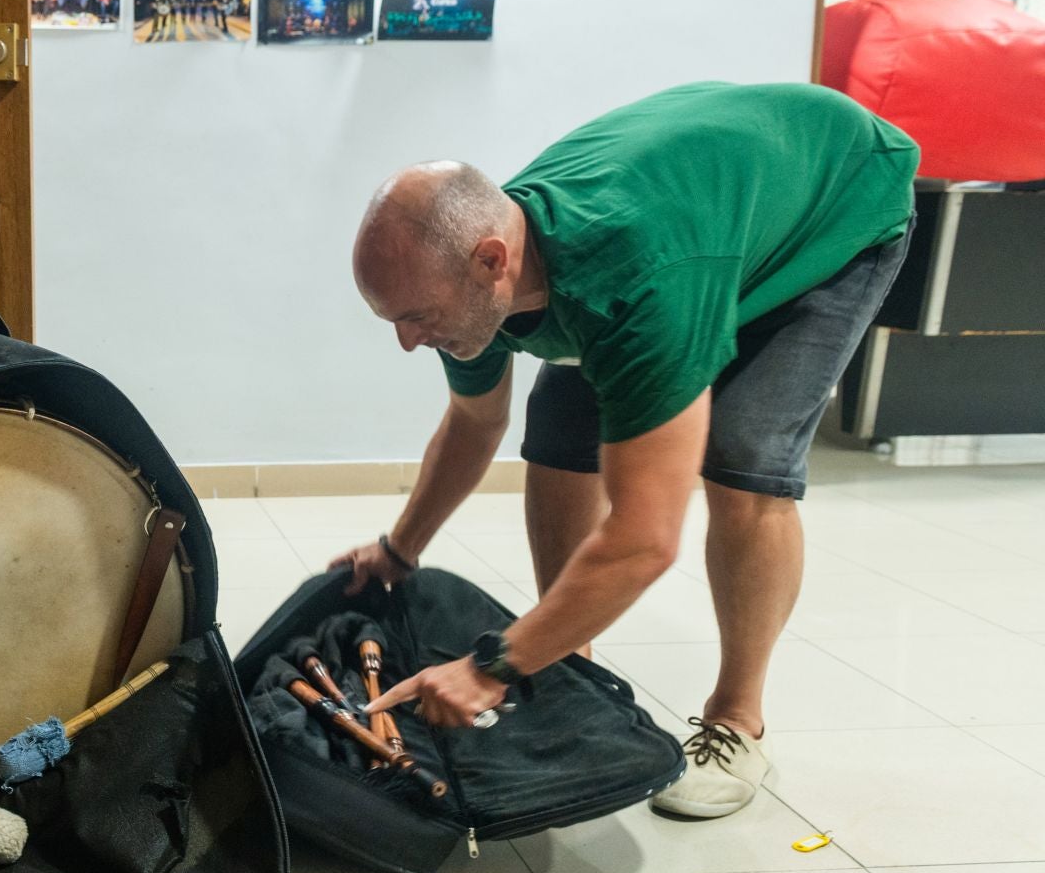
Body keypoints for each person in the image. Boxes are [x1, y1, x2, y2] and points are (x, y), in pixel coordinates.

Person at [343, 82, 918, 819]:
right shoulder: (478, 273)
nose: (407, 340)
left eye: (417, 318)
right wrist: (399, 550)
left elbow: (646, 538)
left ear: (493, 261)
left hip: (832, 204)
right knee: (559, 418)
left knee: (743, 455)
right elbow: (473, 422)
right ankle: (569, 667)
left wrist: (496, 663)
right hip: (714, 209)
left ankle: (737, 720)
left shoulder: (639, 281)